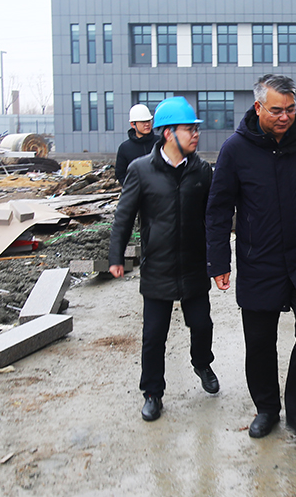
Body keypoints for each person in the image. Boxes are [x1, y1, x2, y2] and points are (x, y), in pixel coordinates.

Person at [205, 74, 296, 450]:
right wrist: (219, 261)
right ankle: (266, 409)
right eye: (277, 110)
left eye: (291, 109)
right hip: (259, 259)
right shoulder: (235, 149)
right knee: (260, 342)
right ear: (258, 108)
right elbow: (219, 209)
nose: (285, 117)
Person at [108, 96, 219, 422]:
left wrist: (219, 259)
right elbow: (123, 216)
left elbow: (215, 216)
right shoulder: (141, 170)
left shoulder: (201, 171)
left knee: (202, 324)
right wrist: (116, 256)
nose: (196, 135)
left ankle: (202, 363)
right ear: (168, 133)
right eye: (189, 129)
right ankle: (153, 393)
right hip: (158, 266)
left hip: (193, 265)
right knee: (154, 336)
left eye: (196, 129)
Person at [115, 104, 161, 185]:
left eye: (148, 121)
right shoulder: (125, 148)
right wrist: (131, 187)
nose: (147, 124)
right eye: (143, 122)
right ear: (133, 124)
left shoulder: (160, 142)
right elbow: (120, 174)